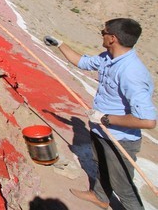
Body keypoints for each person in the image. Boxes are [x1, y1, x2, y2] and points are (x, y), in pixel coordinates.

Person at [44, 18, 156, 210]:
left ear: (112, 38)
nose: (101, 35)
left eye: (103, 32)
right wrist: (60, 45)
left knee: (124, 188)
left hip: (119, 139)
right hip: (100, 129)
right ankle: (100, 197)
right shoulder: (108, 58)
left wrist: (106, 119)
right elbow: (83, 62)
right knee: (100, 164)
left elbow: (147, 121)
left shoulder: (131, 72)